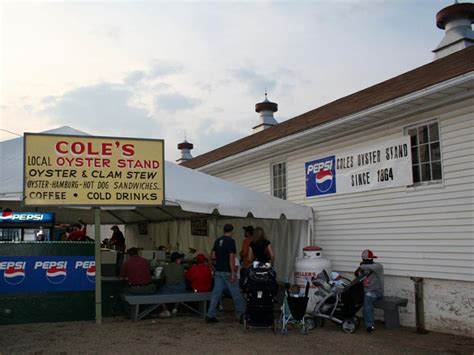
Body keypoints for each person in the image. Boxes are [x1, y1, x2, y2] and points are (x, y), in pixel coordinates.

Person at [206, 223, 245, 324]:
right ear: (232, 231)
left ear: (224, 230)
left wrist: (213, 266)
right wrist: (233, 272)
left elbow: (213, 256)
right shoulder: (231, 241)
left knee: (216, 294)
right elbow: (231, 258)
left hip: (218, 271)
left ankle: (210, 315)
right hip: (227, 271)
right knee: (236, 294)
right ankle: (240, 315)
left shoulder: (217, 240)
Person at [354, 249, 384, 333]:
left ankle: (370, 325)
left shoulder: (378, 267)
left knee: (367, 297)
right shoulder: (364, 268)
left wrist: (362, 266)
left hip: (376, 291)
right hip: (365, 291)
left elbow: (372, 267)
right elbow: (358, 276)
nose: (372, 261)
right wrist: (359, 270)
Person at [158, 251, 186, 318]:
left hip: (169, 288)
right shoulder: (182, 267)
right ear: (177, 259)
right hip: (179, 289)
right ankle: (175, 309)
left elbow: (161, 277)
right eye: (180, 259)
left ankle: (165, 310)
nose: (181, 260)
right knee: (180, 288)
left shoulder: (166, 267)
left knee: (159, 292)